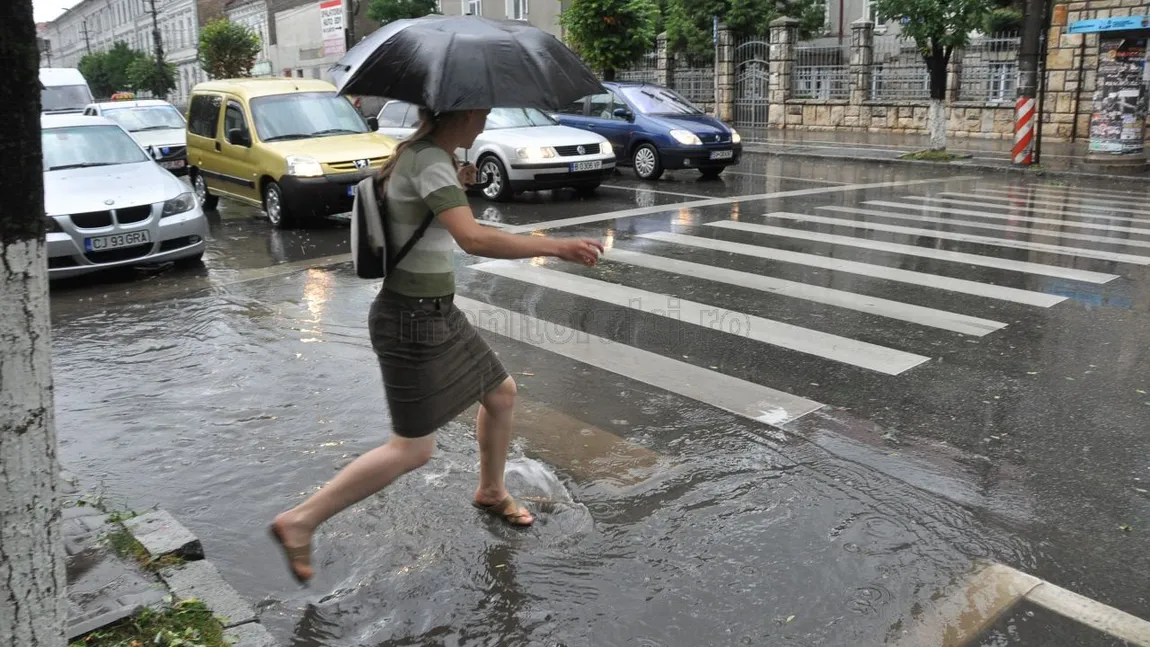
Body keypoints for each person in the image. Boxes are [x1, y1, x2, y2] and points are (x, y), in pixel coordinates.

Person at [269, 105, 605, 584]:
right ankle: (300, 521)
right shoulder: (428, 161)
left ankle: (491, 489)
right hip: (411, 319)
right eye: (481, 114)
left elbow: (421, 218)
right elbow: (473, 240)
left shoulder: (420, 155)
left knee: (501, 393)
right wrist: (556, 246)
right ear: (459, 115)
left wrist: (456, 184)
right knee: (412, 449)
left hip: (434, 312)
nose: (485, 123)